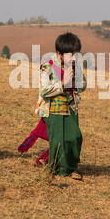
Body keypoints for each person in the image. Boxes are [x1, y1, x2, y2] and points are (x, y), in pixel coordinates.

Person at [35, 32, 87, 180]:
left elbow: (83, 85)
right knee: (57, 141)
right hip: (53, 109)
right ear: (59, 54)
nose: (74, 58)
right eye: (70, 55)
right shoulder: (47, 66)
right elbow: (44, 89)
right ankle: (54, 169)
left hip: (71, 107)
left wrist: (77, 82)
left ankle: (72, 167)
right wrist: (63, 83)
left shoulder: (76, 67)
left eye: (76, 54)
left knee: (75, 138)